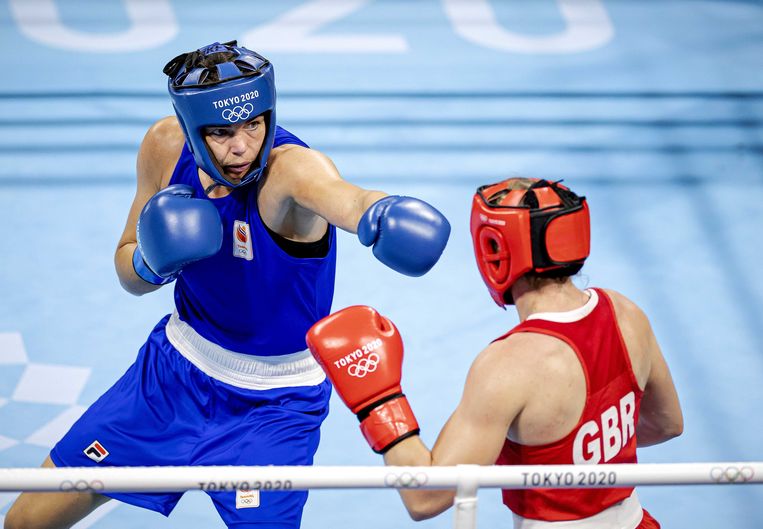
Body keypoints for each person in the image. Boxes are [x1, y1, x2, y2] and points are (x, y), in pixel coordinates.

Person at [4, 41, 450, 529]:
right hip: (170, 378)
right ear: (192, 129)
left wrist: (379, 214)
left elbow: (346, 197)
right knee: (28, 521)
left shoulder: (290, 170)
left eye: (254, 125)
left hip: (275, 408)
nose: (242, 147)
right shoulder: (163, 145)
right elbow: (126, 269)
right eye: (220, 132)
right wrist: (153, 262)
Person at [306, 178, 684, 528]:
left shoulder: (510, 365)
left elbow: (425, 496)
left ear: (494, 248)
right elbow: (666, 424)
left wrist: (379, 401)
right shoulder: (625, 312)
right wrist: (572, 454)